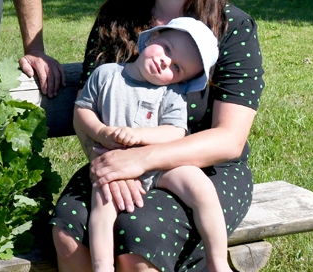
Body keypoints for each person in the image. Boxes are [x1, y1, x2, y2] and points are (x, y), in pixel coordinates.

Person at [52, 0, 265, 272]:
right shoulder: (118, 14)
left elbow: (228, 140)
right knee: (69, 224)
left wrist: (141, 160)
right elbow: (89, 105)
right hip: (112, 157)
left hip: (205, 170)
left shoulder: (231, 28)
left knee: (139, 234)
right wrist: (108, 163)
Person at [72, 17, 230, 272]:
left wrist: (142, 137)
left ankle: (218, 261)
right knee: (102, 205)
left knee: (201, 186)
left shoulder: (171, 94)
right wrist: (100, 131)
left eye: (177, 68)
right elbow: (83, 111)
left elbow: (175, 132)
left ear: (181, 80)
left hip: (160, 165)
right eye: (167, 49)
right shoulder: (108, 74)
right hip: (116, 166)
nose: (165, 61)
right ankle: (102, 267)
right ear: (153, 38)